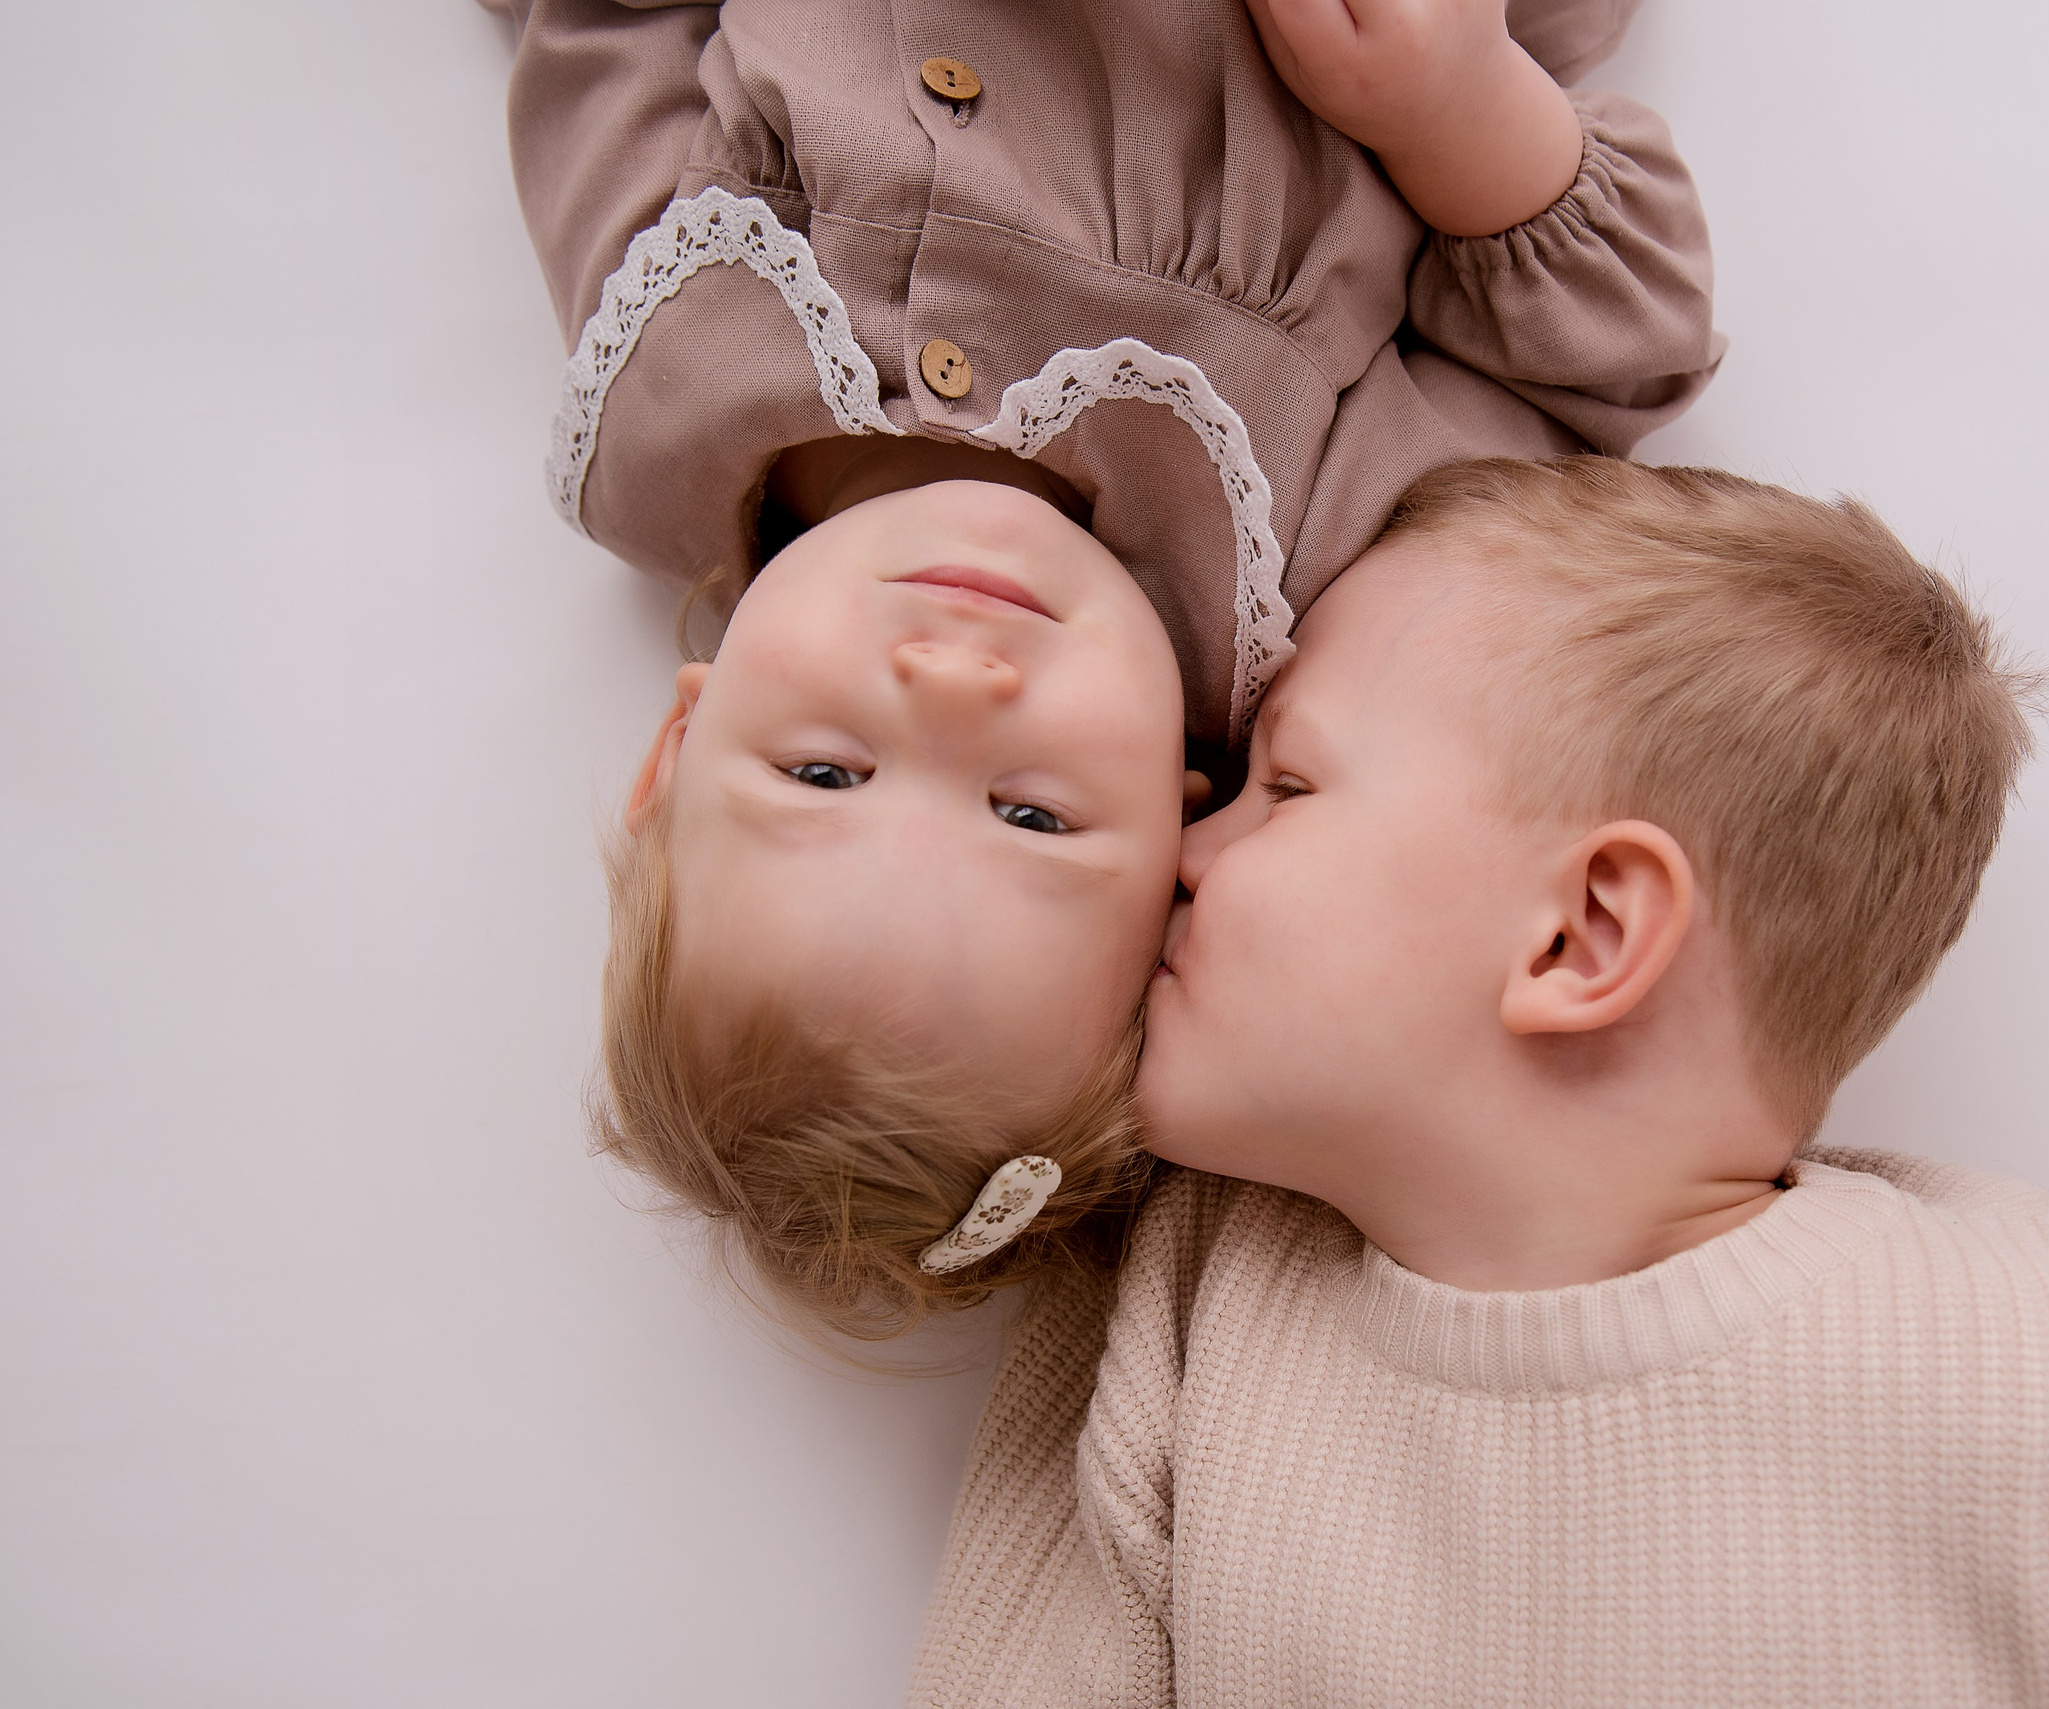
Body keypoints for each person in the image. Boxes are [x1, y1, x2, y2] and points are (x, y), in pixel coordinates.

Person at [907, 457, 2049, 1706]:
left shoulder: (2042, 1381)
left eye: (1286, 786)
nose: (1185, 843)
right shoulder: (1193, 1291)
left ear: (1582, 935)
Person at [488, 0, 1719, 1336]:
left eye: (827, 772)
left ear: (676, 754)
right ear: (1185, 837)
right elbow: (1614, 358)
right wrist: (1457, 102)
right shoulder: (1304, 570)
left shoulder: (659, 391)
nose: (954, 684)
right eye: (1030, 813)